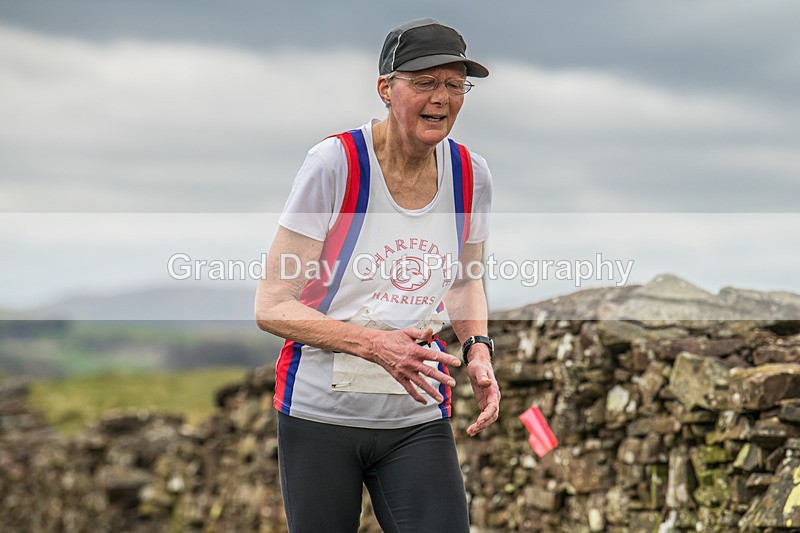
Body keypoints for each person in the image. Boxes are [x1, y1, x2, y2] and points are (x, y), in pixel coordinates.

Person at [255, 18, 500, 533]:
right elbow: (272, 306)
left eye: (455, 84)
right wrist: (376, 345)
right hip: (319, 416)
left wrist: (478, 350)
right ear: (386, 88)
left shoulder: (470, 174)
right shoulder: (335, 164)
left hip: (416, 419)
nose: (442, 98)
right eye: (425, 82)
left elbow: (463, 281)